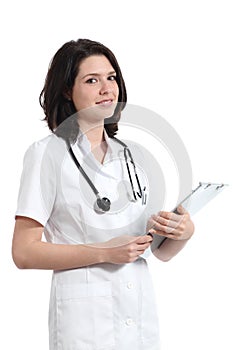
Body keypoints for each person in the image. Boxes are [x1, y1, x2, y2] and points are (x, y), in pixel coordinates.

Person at [12, 39, 194, 350]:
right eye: (92, 80)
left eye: (111, 78)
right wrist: (103, 252)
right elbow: (24, 252)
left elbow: (157, 252)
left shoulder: (132, 155)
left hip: (138, 314)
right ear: (68, 90)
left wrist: (182, 232)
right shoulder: (47, 154)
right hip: (84, 323)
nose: (106, 89)